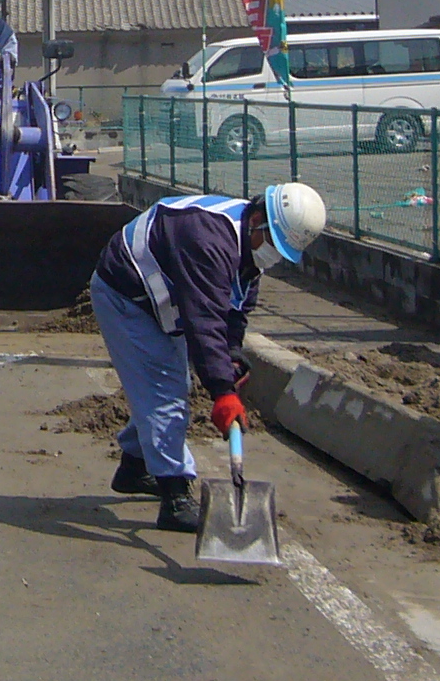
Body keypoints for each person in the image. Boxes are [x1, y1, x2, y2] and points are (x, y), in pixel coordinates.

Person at [89, 182, 327, 534]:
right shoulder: (208, 239)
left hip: (162, 297)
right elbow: (204, 321)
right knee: (164, 391)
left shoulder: (246, 244)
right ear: (258, 221)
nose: (275, 256)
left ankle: (134, 468)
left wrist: (232, 353)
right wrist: (223, 392)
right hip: (126, 296)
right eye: (274, 244)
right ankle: (175, 498)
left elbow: (237, 305)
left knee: (172, 385)